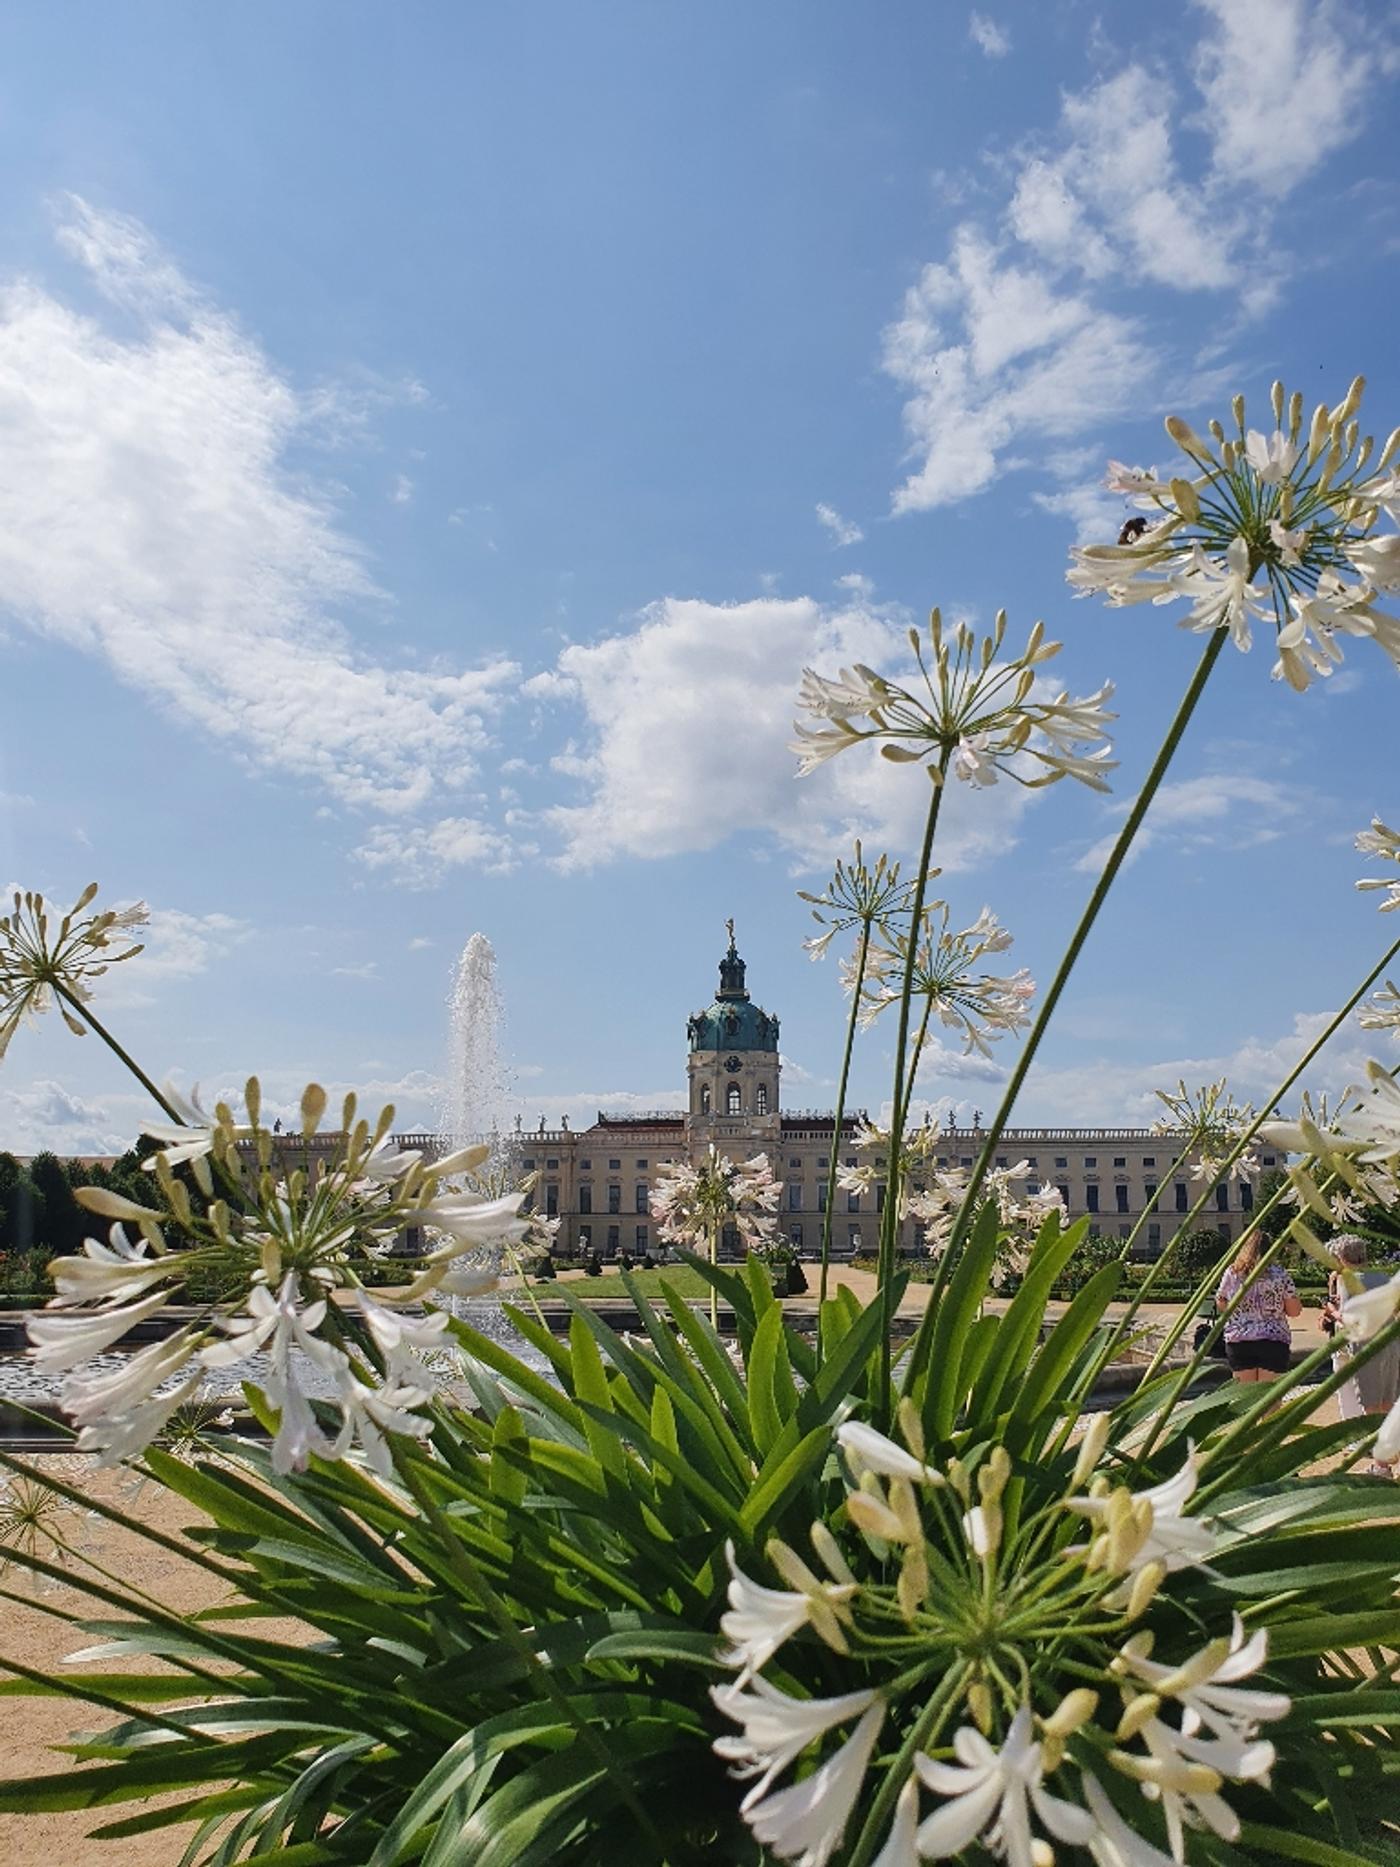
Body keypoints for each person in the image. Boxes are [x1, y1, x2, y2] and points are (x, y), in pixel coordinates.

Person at [1320, 1234, 1400, 1474]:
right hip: (1390, 1343)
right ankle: (1385, 1459)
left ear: (1342, 1258)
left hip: (1366, 1348)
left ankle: (1382, 1465)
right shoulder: (1383, 1277)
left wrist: (1331, 1310)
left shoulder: (1347, 1280)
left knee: (1372, 1406)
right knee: (1387, 1402)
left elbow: (1348, 1319)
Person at [1214, 1231, 1301, 1383]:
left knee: (1244, 1399)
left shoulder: (1232, 1273)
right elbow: (1294, 1311)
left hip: (1239, 1339)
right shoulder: (1279, 1274)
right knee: (1270, 1399)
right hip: (1273, 1340)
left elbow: (1222, 1303)